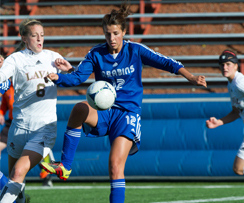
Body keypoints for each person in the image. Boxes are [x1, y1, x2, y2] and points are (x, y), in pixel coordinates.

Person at [40, 2, 207, 203]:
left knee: (114, 166)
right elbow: (77, 78)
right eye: (108, 34)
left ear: (124, 32)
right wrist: (59, 78)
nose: (112, 38)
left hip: (127, 113)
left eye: (116, 33)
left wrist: (190, 77)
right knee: (79, 109)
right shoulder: (96, 53)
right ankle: (65, 166)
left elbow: (166, 62)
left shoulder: (135, 50)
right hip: (104, 111)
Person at [0, 18, 68, 203]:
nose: (39, 39)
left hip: (44, 129)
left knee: (17, 172)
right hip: (19, 127)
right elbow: (1, 80)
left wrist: (69, 71)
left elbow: (75, 77)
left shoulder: (52, 57)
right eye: (34, 35)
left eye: (42, 35)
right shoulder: (15, 59)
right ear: (23, 37)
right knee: (16, 182)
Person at [206, 50, 244, 176]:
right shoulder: (231, 84)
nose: (224, 67)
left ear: (236, 66)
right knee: (238, 169)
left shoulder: (239, 82)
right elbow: (235, 112)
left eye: (228, 64)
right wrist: (218, 123)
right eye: (222, 64)